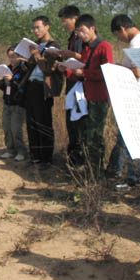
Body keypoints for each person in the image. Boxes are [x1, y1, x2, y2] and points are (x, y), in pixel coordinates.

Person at [105, 14, 140, 186]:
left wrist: (118, 68)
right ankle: (130, 175)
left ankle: (132, 178)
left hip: (138, 96)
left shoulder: (135, 43)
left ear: (122, 29)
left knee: (131, 137)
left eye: (118, 35)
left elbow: (136, 72)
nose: (120, 39)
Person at [61, 15, 113, 179]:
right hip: (84, 99)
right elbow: (80, 74)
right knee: (84, 135)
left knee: (95, 137)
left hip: (99, 98)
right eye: (78, 32)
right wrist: (65, 69)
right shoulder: (85, 49)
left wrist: (84, 73)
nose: (81, 35)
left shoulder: (104, 47)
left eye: (83, 31)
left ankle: (97, 175)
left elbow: (107, 73)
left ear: (92, 28)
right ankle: (89, 170)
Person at [20, 16, 63, 170]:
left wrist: (37, 55)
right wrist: (26, 60)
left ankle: (46, 158)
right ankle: (35, 156)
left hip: (43, 89)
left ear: (47, 27)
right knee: (31, 122)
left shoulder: (53, 46)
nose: (35, 31)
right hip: (31, 87)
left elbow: (47, 69)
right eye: (34, 28)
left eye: (38, 27)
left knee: (43, 122)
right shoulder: (35, 45)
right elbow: (32, 66)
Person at [57, 5, 84, 165]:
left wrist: (71, 56)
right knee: (71, 125)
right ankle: (73, 160)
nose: (64, 25)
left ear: (75, 18)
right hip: (72, 84)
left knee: (78, 124)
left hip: (80, 86)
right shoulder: (72, 37)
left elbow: (84, 60)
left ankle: (79, 162)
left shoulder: (82, 38)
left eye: (65, 21)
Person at [0, 45, 28, 162]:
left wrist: (12, 80)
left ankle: (21, 151)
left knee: (16, 129)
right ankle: (10, 150)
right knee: (6, 127)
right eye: (10, 57)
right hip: (7, 102)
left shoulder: (24, 69)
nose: (12, 59)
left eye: (14, 57)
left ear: (19, 57)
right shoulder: (7, 69)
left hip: (18, 104)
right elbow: (5, 87)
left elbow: (22, 87)